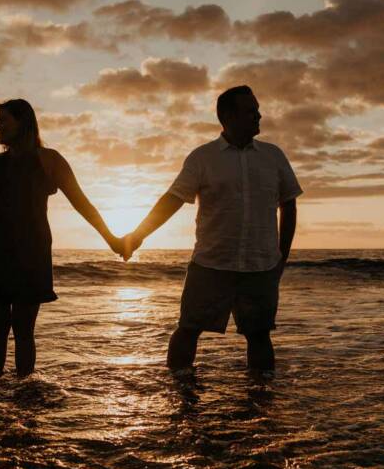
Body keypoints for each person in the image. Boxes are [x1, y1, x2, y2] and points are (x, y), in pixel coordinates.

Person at [123, 86, 301, 373]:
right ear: (228, 116)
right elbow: (173, 199)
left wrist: (283, 256)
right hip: (212, 263)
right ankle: (179, 391)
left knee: (259, 335)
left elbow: (289, 205)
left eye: (257, 108)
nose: (259, 115)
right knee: (189, 329)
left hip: (260, 264)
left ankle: (262, 403)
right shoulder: (202, 158)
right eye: (251, 110)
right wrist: (138, 234)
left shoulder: (273, 156)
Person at [0, 99, 125, 376]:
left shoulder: (48, 159)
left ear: (23, 122)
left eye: (3, 120)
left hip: (31, 254)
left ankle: (24, 393)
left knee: (24, 329)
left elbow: (81, 203)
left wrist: (111, 238)